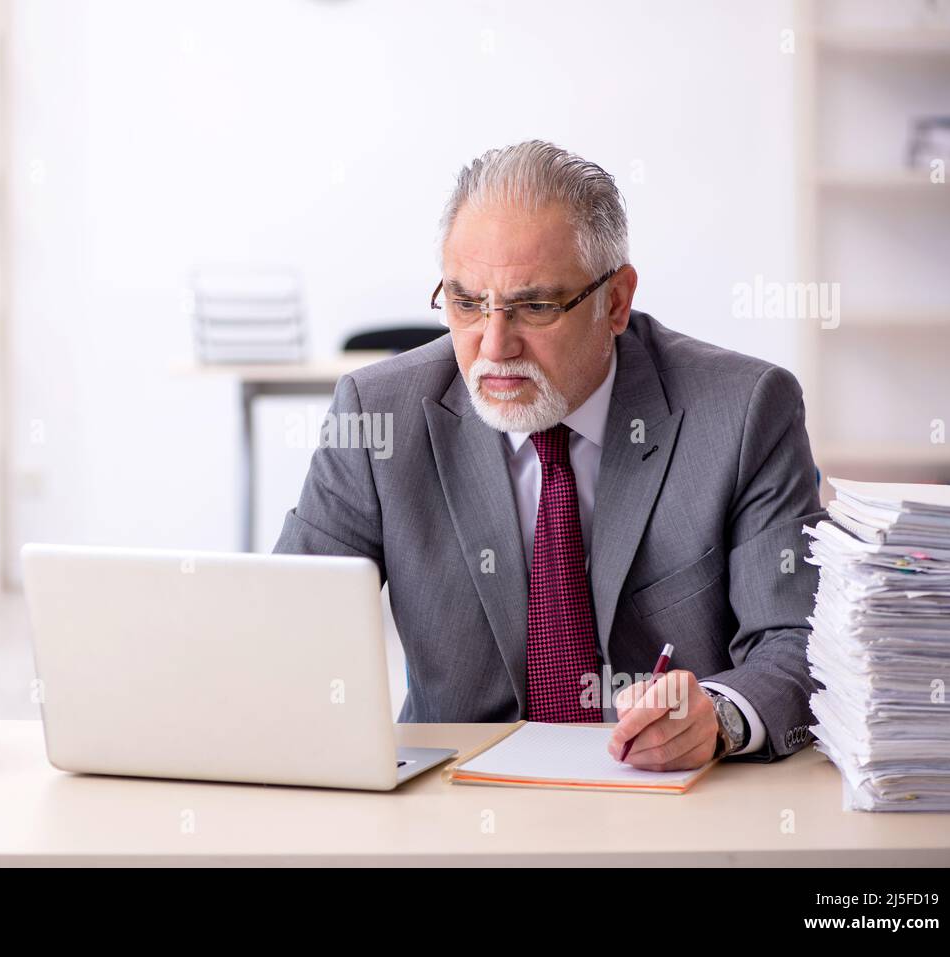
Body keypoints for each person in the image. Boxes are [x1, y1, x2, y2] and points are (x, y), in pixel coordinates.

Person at [274, 141, 825, 769]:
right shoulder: (377, 416)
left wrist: (720, 715)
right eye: (467, 303)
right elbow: (289, 637)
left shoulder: (744, 410)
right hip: (451, 799)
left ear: (615, 302)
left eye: (534, 306)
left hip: (665, 799)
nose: (495, 344)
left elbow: (800, 643)